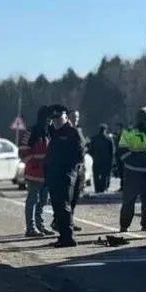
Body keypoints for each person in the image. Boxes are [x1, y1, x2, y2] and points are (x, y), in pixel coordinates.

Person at [45, 105, 86, 247]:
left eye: (59, 119)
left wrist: (68, 168)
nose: (56, 122)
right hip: (55, 175)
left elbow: (80, 154)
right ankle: (63, 236)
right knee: (58, 206)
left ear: (66, 118)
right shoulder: (55, 132)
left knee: (63, 206)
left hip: (66, 174)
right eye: (54, 120)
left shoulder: (72, 132)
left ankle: (67, 237)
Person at [18, 106, 53, 237]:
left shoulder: (49, 132)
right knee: (33, 200)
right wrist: (32, 162)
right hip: (34, 172)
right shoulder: (31, 131)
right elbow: (22, 149)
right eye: (49, 118)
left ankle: (40, 225)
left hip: (46, 173)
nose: (50, 121)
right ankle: (30, 228)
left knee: (44, 200)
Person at [69, 109, 86, 216]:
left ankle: (70, 220)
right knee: (67, 197)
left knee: (75, 196)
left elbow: (82, 147)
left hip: (80, 167)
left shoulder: (79, 131)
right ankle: (59, 221)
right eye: (73, 117)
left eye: (77, 117)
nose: (75, 119)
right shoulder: (65, 131)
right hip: (69, 168)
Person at [89, 124, 115, 193]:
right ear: (106, 130)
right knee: (104, 175)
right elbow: (112, 151)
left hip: (96, 159)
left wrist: (93, 156)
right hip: (106, 160)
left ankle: (97, 189)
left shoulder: (94, 138)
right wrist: (111, 160)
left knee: (96, 175)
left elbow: (90, 150)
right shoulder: (109, 139)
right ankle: (103, 188)